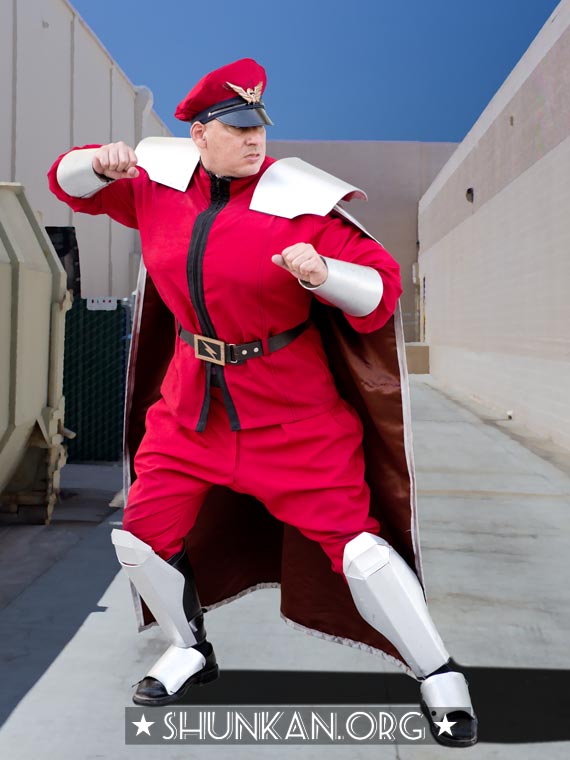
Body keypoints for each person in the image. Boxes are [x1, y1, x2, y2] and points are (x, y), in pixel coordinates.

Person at [48, 58, 477, 748]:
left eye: (259, 126)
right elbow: (67, 184)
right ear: (199, 134)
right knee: (141, 537)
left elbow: (381, 295)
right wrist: (98, 161)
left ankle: (438, 673)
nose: (255, 139)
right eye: (238, 126)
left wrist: (326, 273)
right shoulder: (159, 188)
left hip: (294, 419)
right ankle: (189, 647)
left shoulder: (299, 202)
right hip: (189, 412)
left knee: (359, 549)